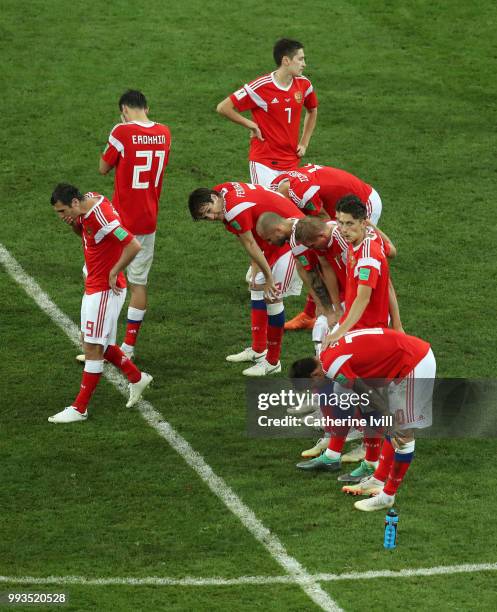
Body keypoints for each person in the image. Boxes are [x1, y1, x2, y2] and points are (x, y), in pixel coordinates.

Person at [290, 327, 436, 511]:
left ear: (314, 374)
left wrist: (385, 414)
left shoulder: (332, 366)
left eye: (311, 385)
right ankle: (377, 478)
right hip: (403, 357)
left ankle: (387, 496)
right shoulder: (324, 355)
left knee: (403, 434)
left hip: (414, 363)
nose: (314, 390)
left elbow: (364, 390)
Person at [49, 183, 153, 423]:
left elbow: (133, 245)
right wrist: (74, 224)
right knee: (94, 342)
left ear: (75, 203)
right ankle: (137, 378)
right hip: (94, 284)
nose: (61, 216)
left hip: (105, 290)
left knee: (93, 348)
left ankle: (79, 408)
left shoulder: (102, 217)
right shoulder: (89, 203)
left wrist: (115, 270)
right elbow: (88, 235)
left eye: (63, 211)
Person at [188, 182, 304, 376]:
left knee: (272, 296)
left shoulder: (232, 210)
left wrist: (267, 276)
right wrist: (256, 267)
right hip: (274, 235)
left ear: (214, 198)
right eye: (205, 217)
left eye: (209, 211)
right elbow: (250, 236)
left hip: (290, 240)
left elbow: (250, 242)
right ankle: (259, 350)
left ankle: (273, 362)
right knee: (257, 288)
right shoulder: (223, 192)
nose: (211, 217)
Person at [98, 89, 171, 360]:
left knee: (101, 278)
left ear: (124, 110)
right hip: (148, 218)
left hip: (120, 221)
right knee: (138, 282)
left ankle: (102, 342)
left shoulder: (122, 131)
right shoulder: (164, 132)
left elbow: (103, 168)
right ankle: (128, 346)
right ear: (147, 107)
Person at [271, 163, 383, 330]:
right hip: (341, 205)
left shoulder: (301, 194)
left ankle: (358, 309)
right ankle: (315, 312)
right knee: (322, 256)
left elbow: (323, 221)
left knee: (350, 261)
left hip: (363, 203)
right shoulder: (278, 186)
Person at [216, 39, 318, 187]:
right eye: (300, 59)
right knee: (268, 207)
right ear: (286, 60)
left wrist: (304, 143)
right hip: (264, 162)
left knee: (289, 208)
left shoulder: (304, 85)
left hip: (291, 162)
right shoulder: (261, 86)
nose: (304, 64)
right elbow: (223, 107)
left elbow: (312, 110)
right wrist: (251, 124)